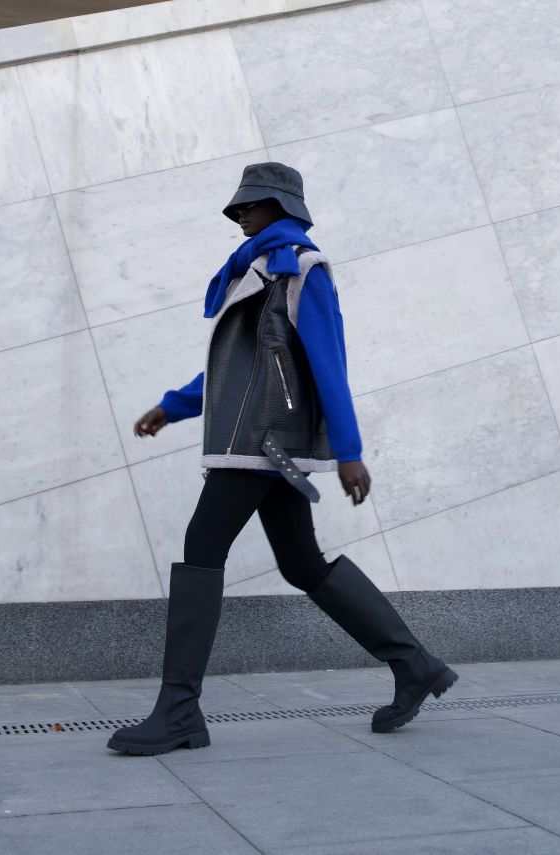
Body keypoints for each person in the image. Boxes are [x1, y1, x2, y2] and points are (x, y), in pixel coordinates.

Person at [107, 162, 458, 756]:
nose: (241, 212)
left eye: (253, 202)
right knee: (301, 563)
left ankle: (179, 712)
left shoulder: (302, 269)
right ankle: (415, 665)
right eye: (239, 205)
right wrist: (173, 406)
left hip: (263, 442)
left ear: (283, 206)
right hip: (256, 441)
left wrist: (349, 451)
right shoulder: (257, 269)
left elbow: (328, 362)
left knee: (202, 547)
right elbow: (239, 369)